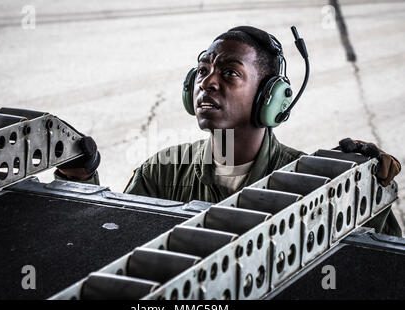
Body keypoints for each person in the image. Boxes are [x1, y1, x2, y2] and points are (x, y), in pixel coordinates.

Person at [55, 26, 402, 237]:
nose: (207, 82)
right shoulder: (161, 172)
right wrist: (80, 181)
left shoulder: (310, 182)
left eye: (229, 72)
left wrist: (369, 193)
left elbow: (378, 270)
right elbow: (108, 246)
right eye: (202, 70)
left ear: (270, 98)